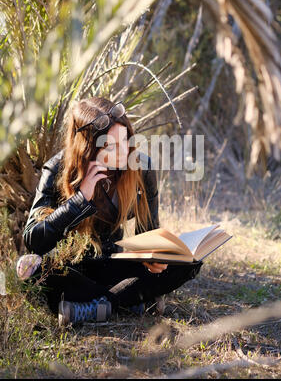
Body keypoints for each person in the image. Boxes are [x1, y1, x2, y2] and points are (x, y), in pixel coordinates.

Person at [21, 97, 203, 327]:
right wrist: (79, 200)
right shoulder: (57, 169)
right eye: (111, 146)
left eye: (125, 140)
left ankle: (96, 307)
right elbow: (33, 241)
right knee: (31, 270)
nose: (123, 151)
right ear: (87, 148)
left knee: (188, 262)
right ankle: (129, 299)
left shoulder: (141, 168)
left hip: (114, 264)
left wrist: (154, 257)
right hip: (75, 269)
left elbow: (148, 232)